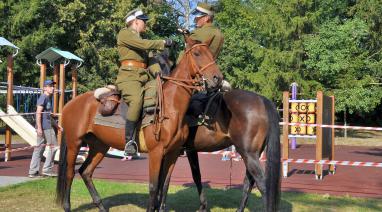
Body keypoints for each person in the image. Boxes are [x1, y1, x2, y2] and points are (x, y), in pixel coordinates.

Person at [116, 8, 173, 156]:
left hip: (144, 77)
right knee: (136, 100)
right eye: (143, 21)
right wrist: (162, 42)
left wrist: (159, 74)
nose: (145, 24)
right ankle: (129, 141)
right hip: (129, 78)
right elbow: (144, 46)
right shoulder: (125, 34)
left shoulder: (141, 40)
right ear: (135, 22)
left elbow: (151, 60)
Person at [28, 80, 62, 178]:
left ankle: (33, 172)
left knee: (39, 148)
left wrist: (57, 125)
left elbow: (48, 116)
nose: (53, 88)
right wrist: (39, 127)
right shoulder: (43, 97)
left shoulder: (48, 98)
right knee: (54, 147)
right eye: (50, 86)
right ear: (45, 88)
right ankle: (47, 170)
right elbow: (38, 113)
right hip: (45, 127)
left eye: (53, 86)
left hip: (47, 126)